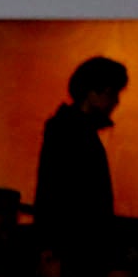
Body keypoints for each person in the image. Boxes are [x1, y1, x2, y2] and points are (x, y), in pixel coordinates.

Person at [36, 56, 130, 230]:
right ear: (92, 93)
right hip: (74, 244)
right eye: (111, 93)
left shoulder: (68, 129)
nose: (116, 101)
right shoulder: (74, 133)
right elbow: (60, 195)